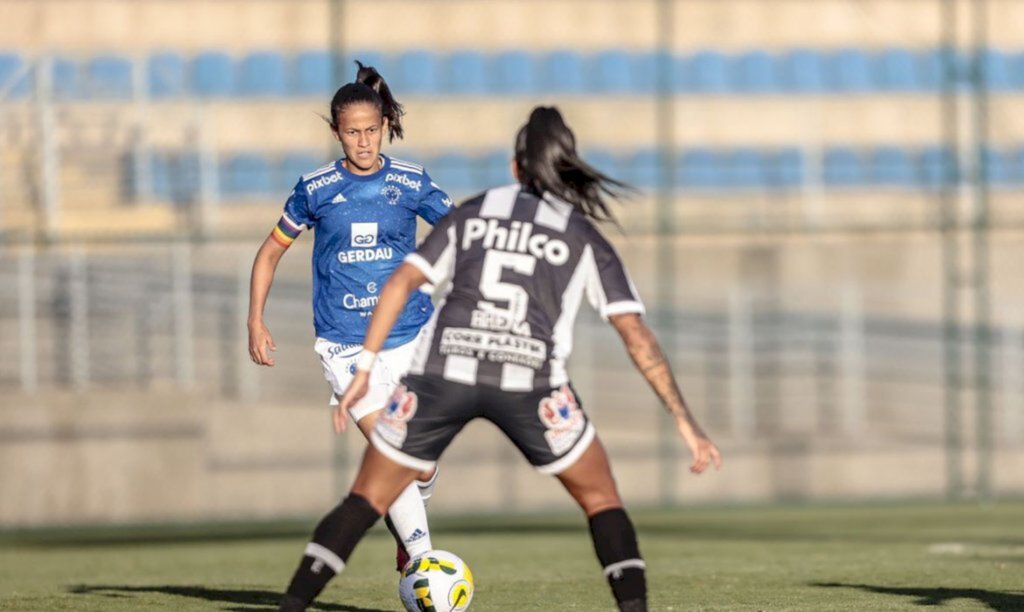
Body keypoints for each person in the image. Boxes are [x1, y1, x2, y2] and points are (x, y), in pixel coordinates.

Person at [277, 106, 721, 612]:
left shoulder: (473, 212)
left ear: (514, 168)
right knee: (601, 499)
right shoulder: (581, 235)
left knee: (366, 500)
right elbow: (636, 336)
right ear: (570, 168)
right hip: (530, 380)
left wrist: (364, 367)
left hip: (445, 370)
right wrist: (686, 423)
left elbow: (402, 280)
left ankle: (292, 605)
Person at [248, 61, 453, 574]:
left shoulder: (410, 181)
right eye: (351, 133)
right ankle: (425, 563)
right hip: (344, 343)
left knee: (422, 465)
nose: (362, 142)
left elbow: (458, 230)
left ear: (384, 126)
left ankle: (410, 531)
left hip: (411, 336)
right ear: (336, 132)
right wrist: (256, 319)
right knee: (392, 452)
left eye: (370, 131)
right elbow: (269, 253)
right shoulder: (315, 189)